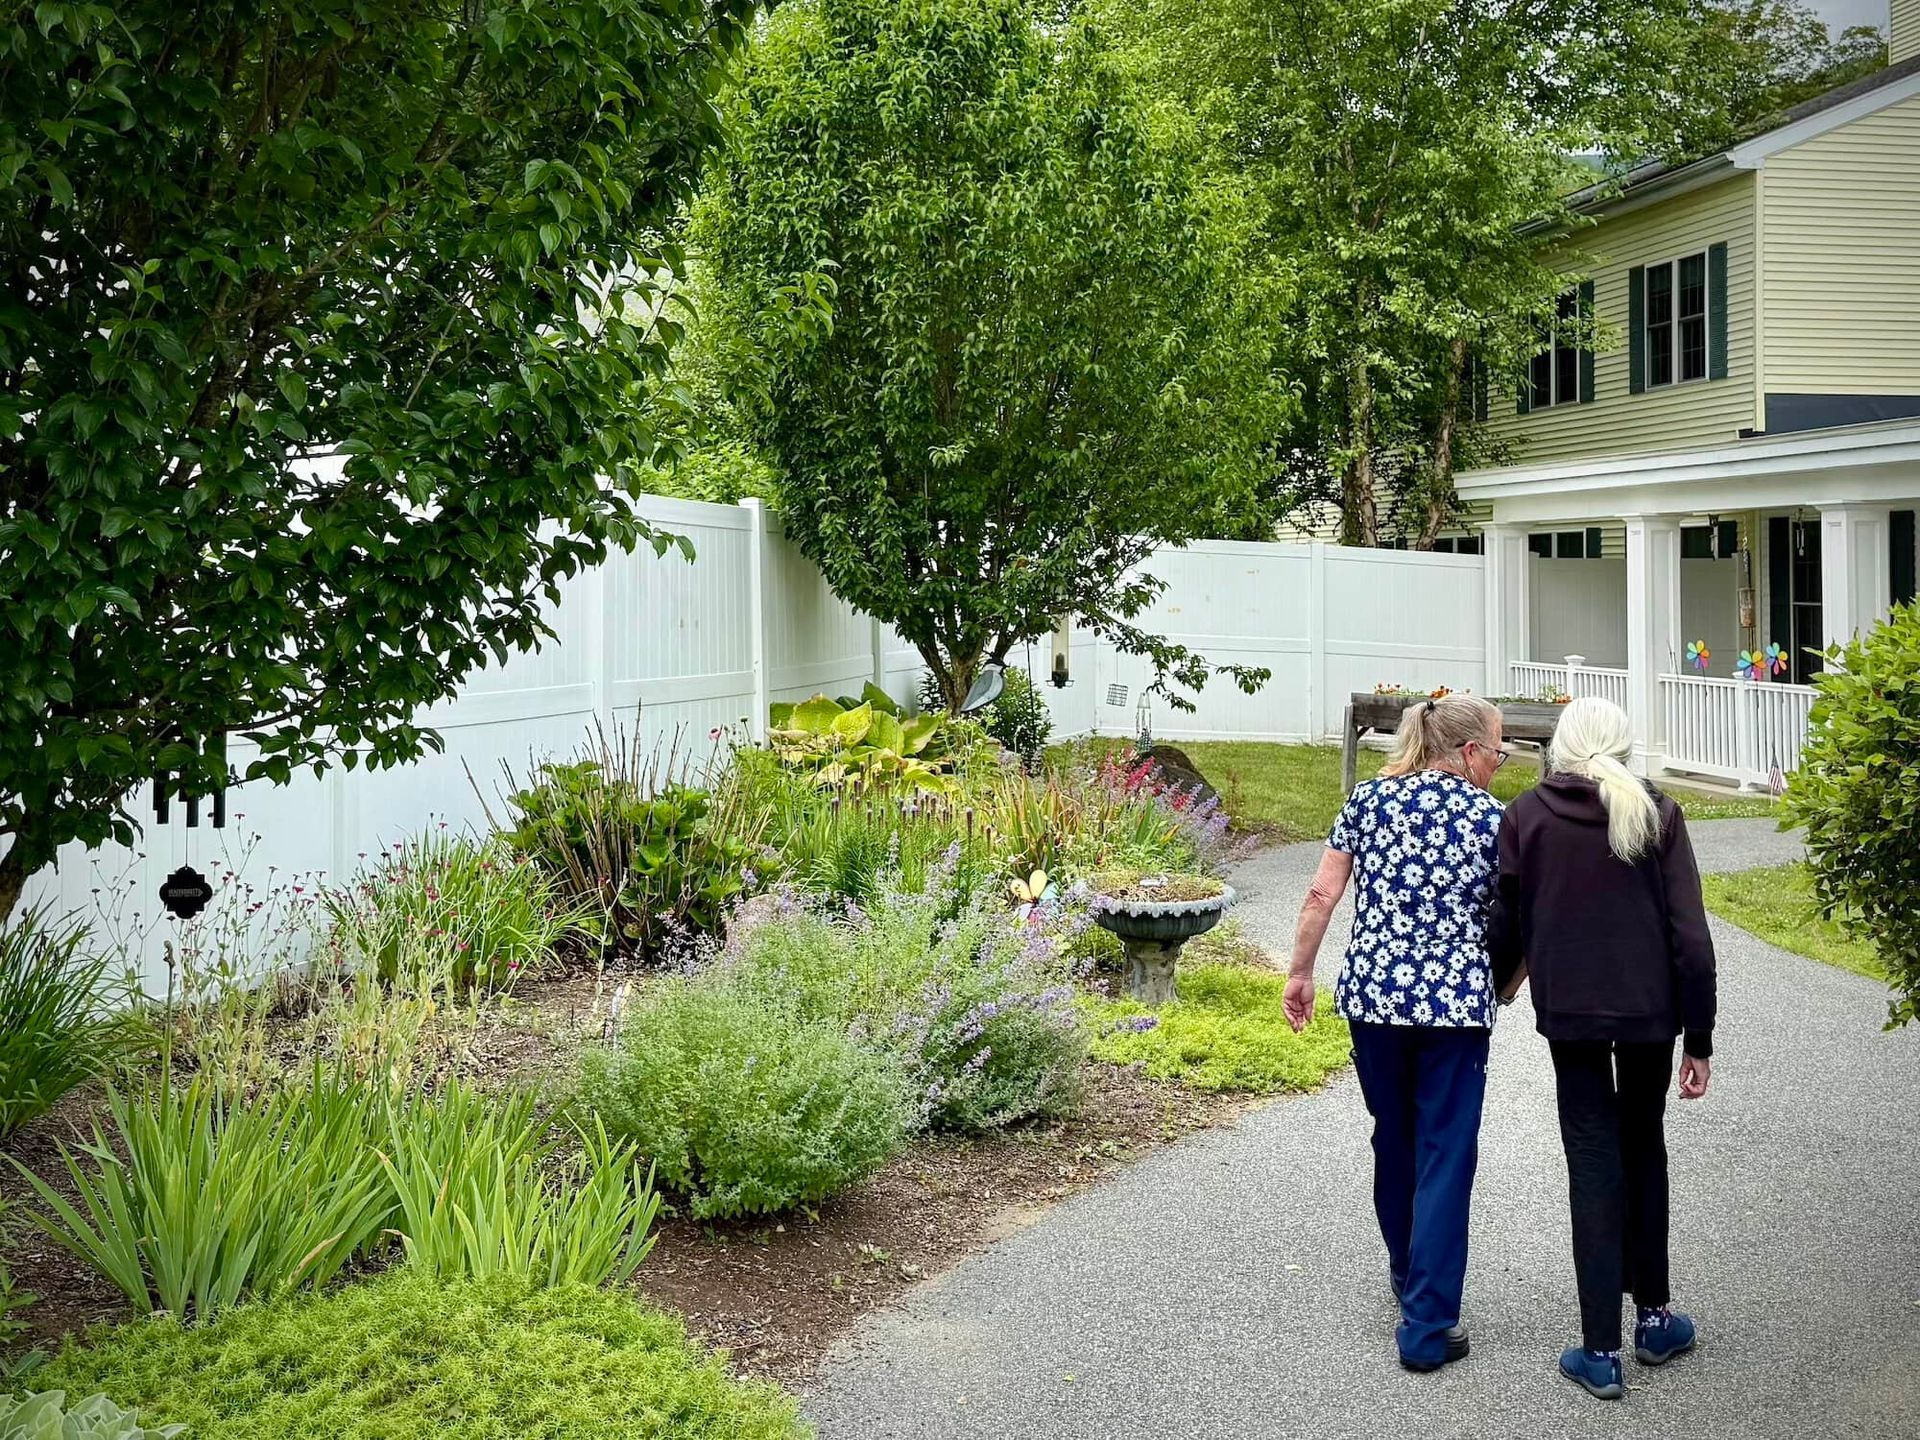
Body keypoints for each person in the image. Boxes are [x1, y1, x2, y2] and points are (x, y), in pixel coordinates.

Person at [1488, 696, 1716, 1402]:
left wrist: (1500, 986)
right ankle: (1654, 1319)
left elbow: (1507, 914)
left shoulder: (1527, 814)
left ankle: (1599, 1351)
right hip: (1650, 1015)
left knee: (1591, 1159)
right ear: (1621, 745)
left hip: (1573, 1013)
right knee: (1643, 1147)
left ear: (1562, 743)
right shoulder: (1659, 812)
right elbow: (1692, 937)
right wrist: (1699, 1036)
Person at [1284, 692, 1508, 1373]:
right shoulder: (1494, 819)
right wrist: (1508, 982)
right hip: (1456, 1010)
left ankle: (1408, 1272)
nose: (1499, 765)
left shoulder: (1368, 803)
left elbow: (1322, 893)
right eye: (1497, 752)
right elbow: (1514, 917)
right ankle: (1427, 1324)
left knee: (1395, 1134)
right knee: (1447, 1151)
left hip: (1374, 1000)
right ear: (1469, 753)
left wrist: (1299, 971)